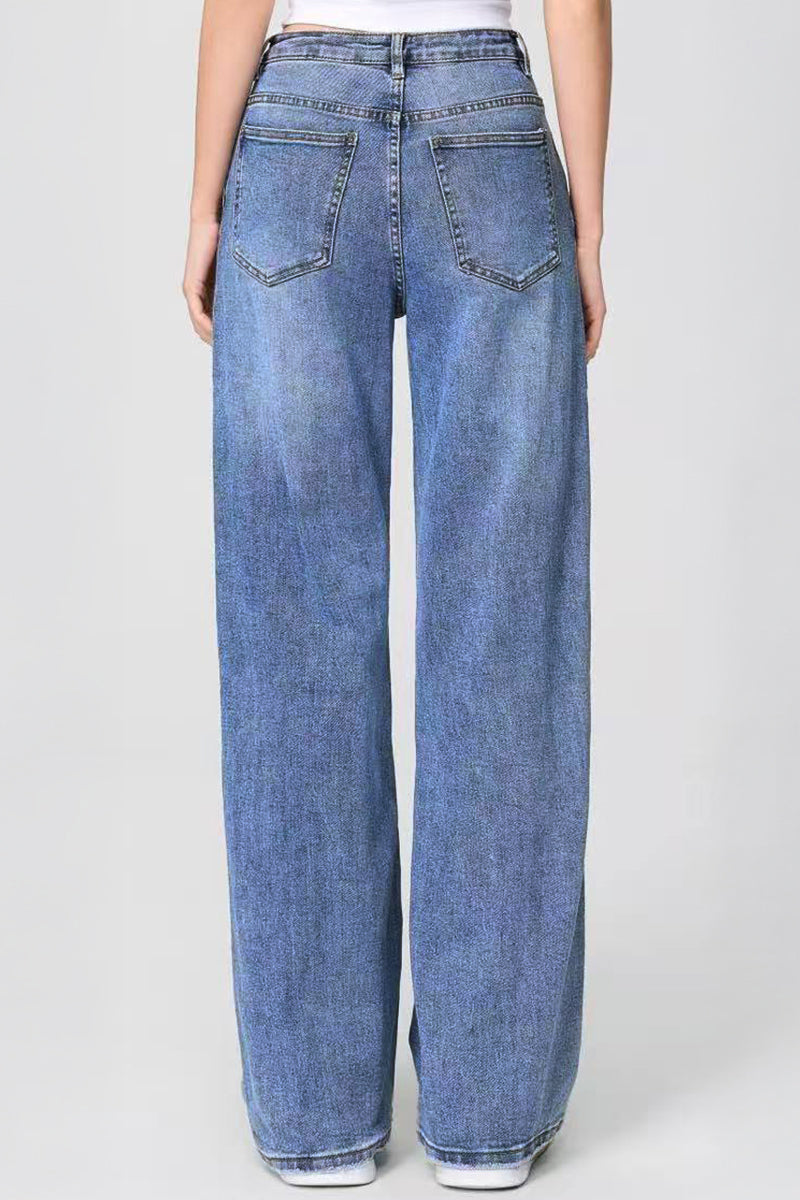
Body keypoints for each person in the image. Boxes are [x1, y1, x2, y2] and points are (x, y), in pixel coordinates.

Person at [183, 0, 610, 1189]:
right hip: (491, 128)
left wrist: (205, 202)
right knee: (505, 633)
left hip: (295, 128)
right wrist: (585, 222)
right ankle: (490, 1116)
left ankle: (316, 1116)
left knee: (293, 634)